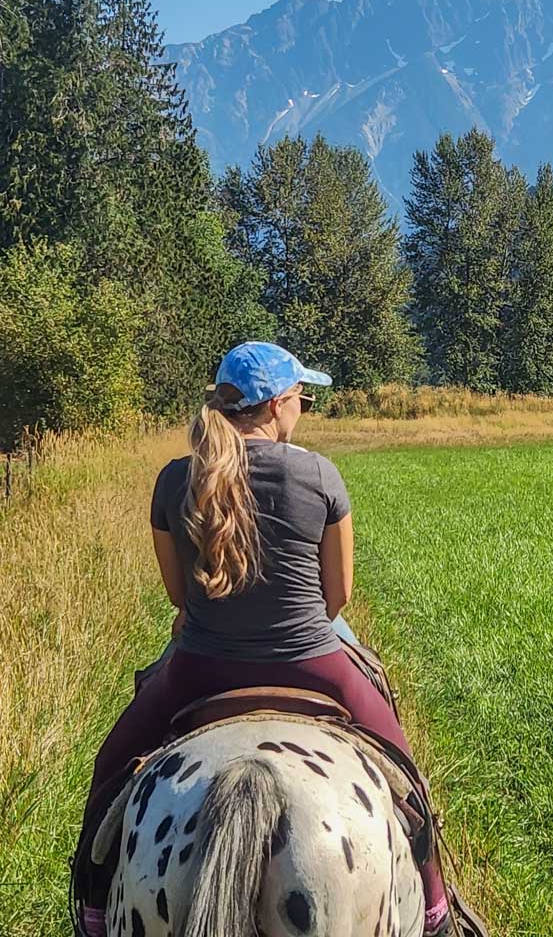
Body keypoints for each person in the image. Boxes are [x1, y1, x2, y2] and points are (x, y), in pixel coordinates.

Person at [77, 341, 451, 937]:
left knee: (109, 770)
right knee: (405, 775)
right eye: (300, 396)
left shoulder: (176, 479)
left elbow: (177, 596)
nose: (302, 405)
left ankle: (94, 909)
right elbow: (340, 595)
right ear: (277, 404)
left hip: (199, 668)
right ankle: (435, 905)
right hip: (315, 664)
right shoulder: (318, 473)